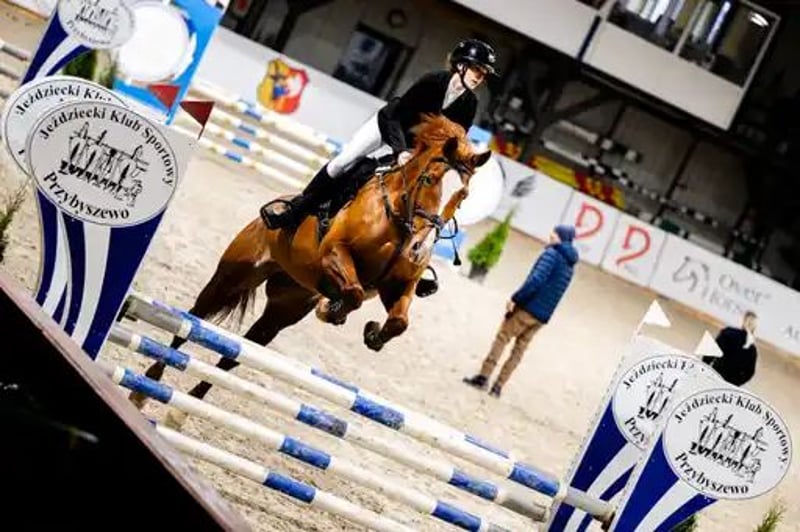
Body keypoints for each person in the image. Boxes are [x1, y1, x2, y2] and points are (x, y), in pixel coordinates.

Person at [261, 38, 498, 230]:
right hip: (389, 125)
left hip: (415, 146)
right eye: (477, 69)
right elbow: (398, 115)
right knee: (345, 161)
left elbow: (452, 142)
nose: (480, 76)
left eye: (484, 73)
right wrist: (400, 151)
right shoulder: (433, 81)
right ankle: (297, 209)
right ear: (460, 65)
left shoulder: (470, 105)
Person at [463, 225, 579, 397]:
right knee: (518, 351)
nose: (551, 236)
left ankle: (483, 377)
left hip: (527, 308)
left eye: (554, 234)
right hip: (542, 316)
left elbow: (536, 281)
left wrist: (516, 299)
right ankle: (498, 387)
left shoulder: (551, 254)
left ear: (561, 237)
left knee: (502, 338)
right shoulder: (570, 266)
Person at [702, 311, 759, 386]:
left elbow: (711, 353)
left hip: (714, 376)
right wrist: (735, 384)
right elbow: (749, 373)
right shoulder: (752, 350)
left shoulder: (728, 333)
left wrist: (704, 368)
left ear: (744, 320)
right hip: (728, 386)